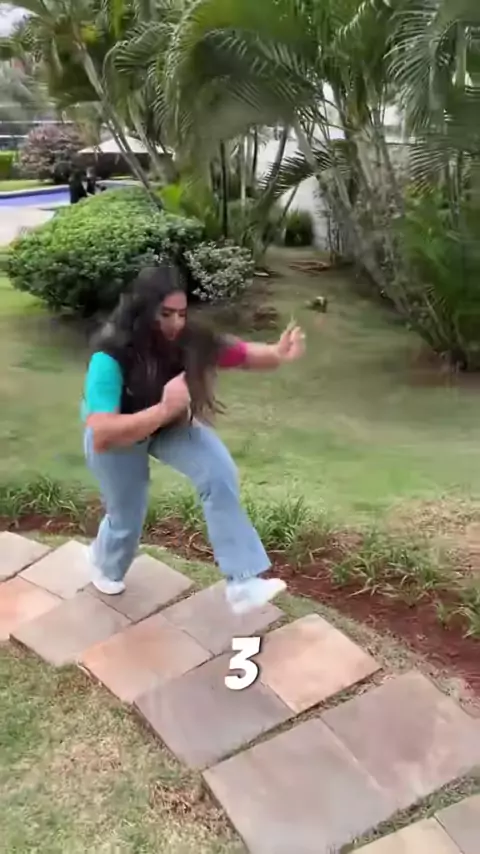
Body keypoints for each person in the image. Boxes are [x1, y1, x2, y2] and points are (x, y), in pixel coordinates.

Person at [82, 265, 306, 615]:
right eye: (166, 314)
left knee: (218, 472)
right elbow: (102, 435)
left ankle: (242, 582)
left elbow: (243, 355)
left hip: (170, 424)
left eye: (182, 313)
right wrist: (163, 409)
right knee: (126, 517)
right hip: (122, 435)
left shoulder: (190, 339)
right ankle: (104, 562)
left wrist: (278, 353)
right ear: (143, 311)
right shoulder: (110, 355)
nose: (176, 323)